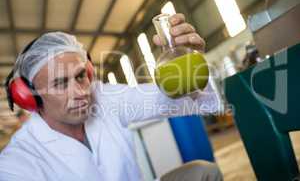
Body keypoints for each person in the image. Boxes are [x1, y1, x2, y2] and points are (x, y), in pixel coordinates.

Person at [0, 14, 222, 181]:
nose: (80, 92)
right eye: (59, 83)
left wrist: (190, 68)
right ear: (31, 98)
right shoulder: (18, 162)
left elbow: (181, 101)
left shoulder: (104, 98)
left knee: (204, 172)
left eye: (80, 76)